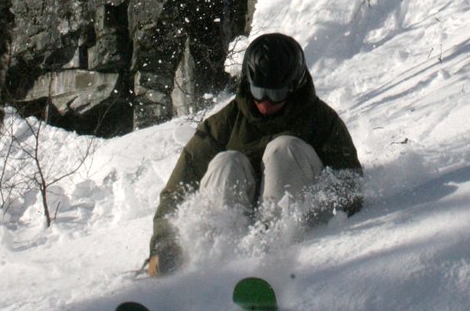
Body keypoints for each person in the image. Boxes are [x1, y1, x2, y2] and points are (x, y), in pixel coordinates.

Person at [148, 33, 362, 275]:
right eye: (258, 91)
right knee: (226, 162)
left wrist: (324, 204)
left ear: (295, 86)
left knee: (285, 149)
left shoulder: (322, 121)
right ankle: (217, 263)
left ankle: (275, 256)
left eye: (275, 93)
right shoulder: (224, 123)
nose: (266, 103)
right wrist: (164, 244)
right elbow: (178, 188)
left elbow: (350, 182)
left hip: (296, 238)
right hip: (236, 236)